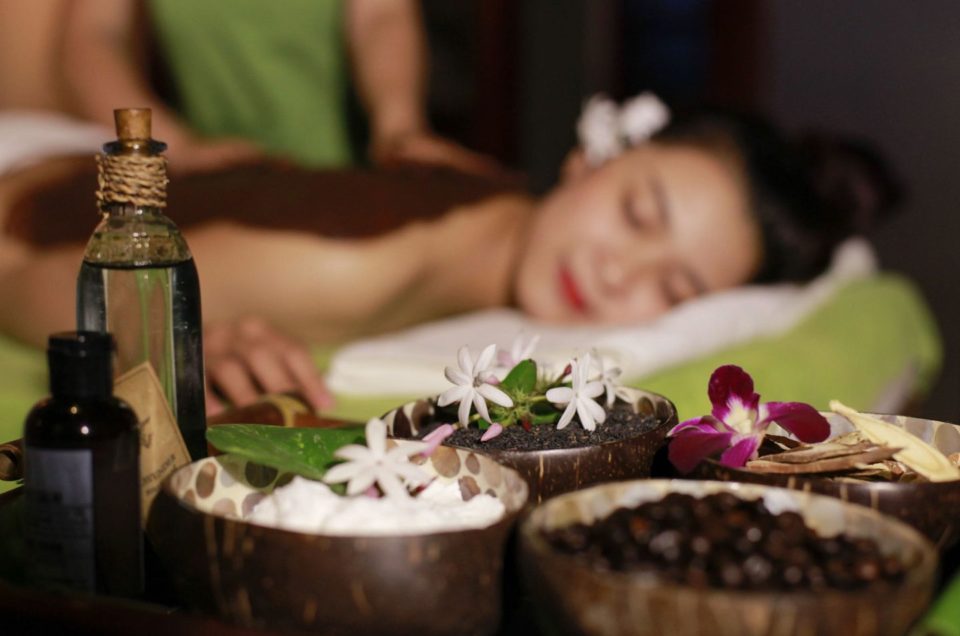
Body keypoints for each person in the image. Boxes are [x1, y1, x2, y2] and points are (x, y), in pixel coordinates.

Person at [0, 107, 898, 414]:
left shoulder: (491, 194)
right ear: (591, 156)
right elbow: (25, 279)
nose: (623, 275)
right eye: (637, 212)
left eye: (677, 287)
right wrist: (177, 339)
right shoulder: (353, 267)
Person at [59, 0, 500, 175]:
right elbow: (93, 37)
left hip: (347, 176)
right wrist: (176, 146)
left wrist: (399, 128)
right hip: (208, 178)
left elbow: (380, 15)